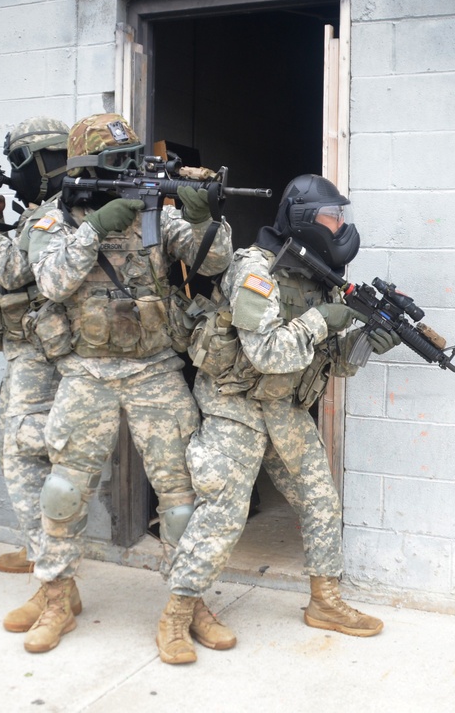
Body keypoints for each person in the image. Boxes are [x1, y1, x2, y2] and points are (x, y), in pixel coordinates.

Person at [159, 174, 399, 664]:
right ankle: (177, 616)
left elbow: (335, 362)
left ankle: (326, 603)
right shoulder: (254, 267)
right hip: (237, 406)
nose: (342, 228)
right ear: (306, 219)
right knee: (223, 515)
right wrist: (321, 321)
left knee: (321, 502)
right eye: (334, 218)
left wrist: (365, 343)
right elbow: (268, 352)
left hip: (285, 409)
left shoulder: (321, 280)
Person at [19, 113, 236, 654]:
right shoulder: (56, 219)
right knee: (64, 491)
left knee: (183, 498)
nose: (132, 170)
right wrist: (94, 227)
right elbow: (49, 281)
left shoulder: (153, 214)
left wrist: (204, 215)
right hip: (86, 371)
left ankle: (191, 601)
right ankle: (56, 598)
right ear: (88, 167)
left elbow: (217, 259)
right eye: (118, 163)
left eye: (133, 159)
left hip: (155, 369)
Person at [0, 116, 81, 632]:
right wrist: (0, 220)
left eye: (19, 164)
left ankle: (58, 592)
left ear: (43, 162)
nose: (13, 174)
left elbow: (15, 273)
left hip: (41, 359)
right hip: (28, 354)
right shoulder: (49, 211)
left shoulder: (56, 214)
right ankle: (42, 560)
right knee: (27, 458)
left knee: (26, 463)